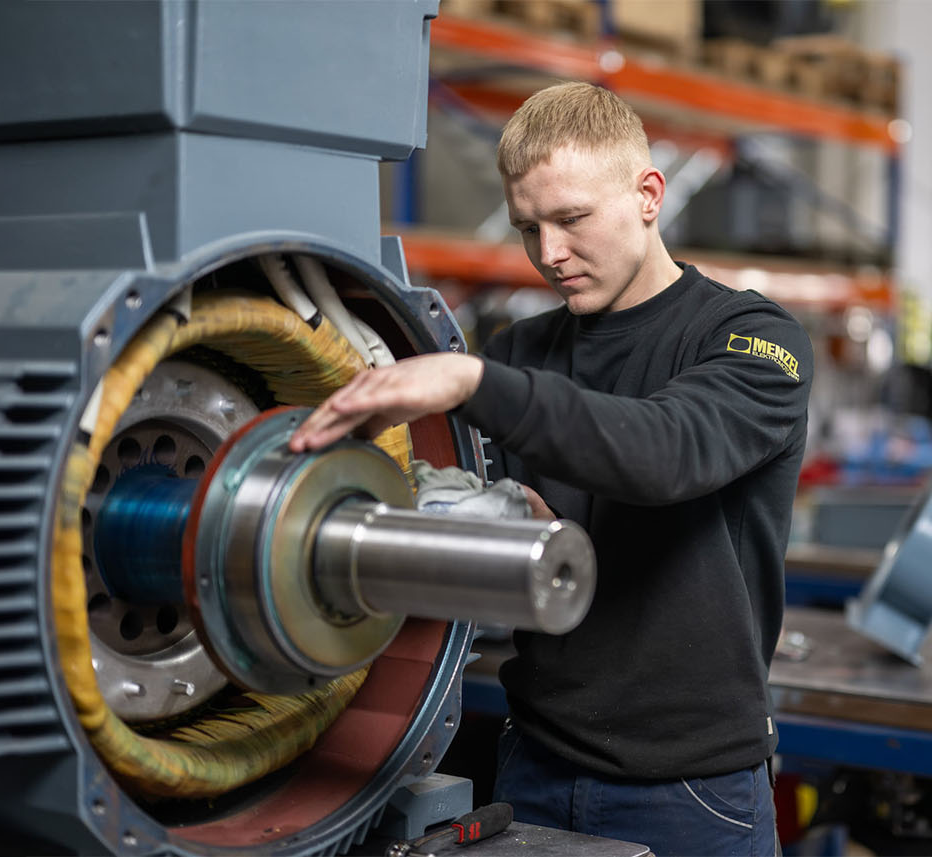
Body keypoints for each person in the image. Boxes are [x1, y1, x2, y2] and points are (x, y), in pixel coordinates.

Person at [289, 82, 812, 856]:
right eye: (528, 228)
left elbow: (664, 452)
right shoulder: (523, 351)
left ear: (648, 195)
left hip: (694, 793)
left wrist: (470, 381)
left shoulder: (751, 339)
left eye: (572, 219)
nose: (550, 254)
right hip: (533, 767)